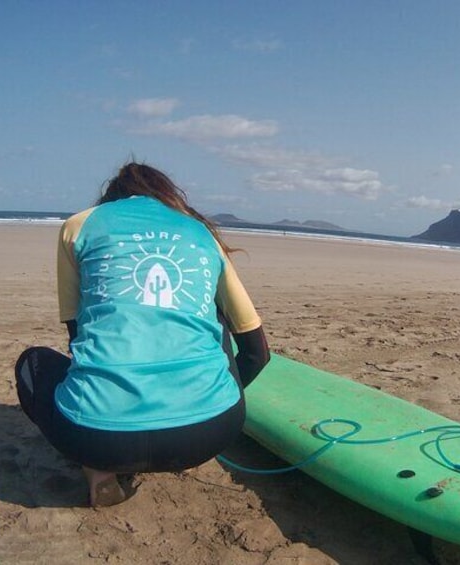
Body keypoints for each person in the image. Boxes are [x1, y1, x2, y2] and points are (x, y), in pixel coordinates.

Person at [15, 161, 270, 507]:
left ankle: (99, 471)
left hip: (95, 437)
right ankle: (193, 409)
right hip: (212, 432)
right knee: (215, 313)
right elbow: (257, 353)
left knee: (32, 363)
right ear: (166, 196)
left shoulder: (79, 226)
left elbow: (79, 339)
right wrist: (213, 398)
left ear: (111, 199)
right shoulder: (200, 233)